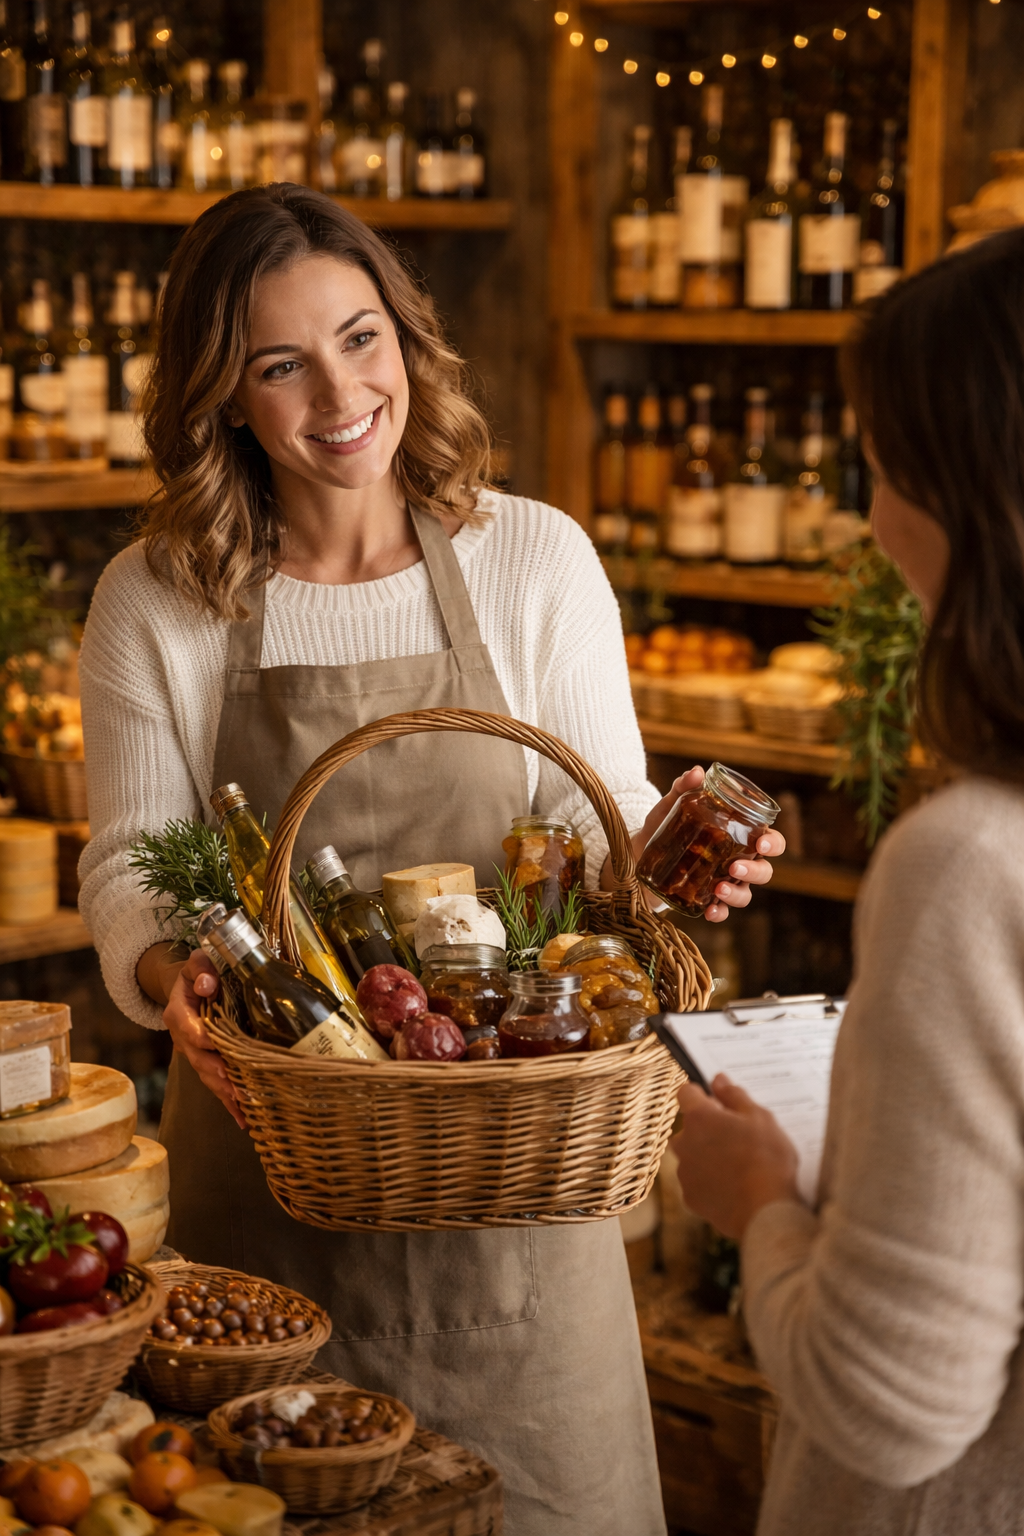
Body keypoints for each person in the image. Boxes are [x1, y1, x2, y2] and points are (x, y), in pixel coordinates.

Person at [78, 184, 783, 1536]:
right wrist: (177, 967)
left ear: (407, 337)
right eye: (280, 364)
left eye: (361, 338)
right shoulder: (155, 596)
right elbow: (133, 873)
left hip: (518, 1191)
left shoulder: (531, 557)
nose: (339, 392)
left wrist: (674, 858)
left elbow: (594, 832)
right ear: (224, 394)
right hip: (273, 1189)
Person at [672, 224, 1024, 1536]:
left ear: (975, 498)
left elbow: (888, 1399)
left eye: (881, 466)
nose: (871, 522)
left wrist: (758, 1205)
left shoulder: (974, 865)